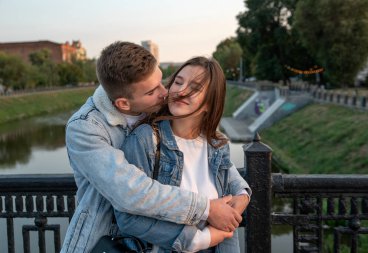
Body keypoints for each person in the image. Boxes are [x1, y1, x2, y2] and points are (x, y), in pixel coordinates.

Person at [61, 42, 242, 253]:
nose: (165, 92)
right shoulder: (85, 128)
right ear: (123, 105)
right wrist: (206, 209)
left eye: (162, 80)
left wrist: (242, 192)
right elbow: (132, 191)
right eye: (153, 90)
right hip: (109, 241)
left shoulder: (155, 103)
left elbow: (211, 153)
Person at [115, 56, 252, 253]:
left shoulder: (216, 144)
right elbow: (128, 219)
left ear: (209, 104)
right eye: (178, 82)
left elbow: (231, 176)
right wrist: (197, 239)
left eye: (195, 88)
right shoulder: (145, 140)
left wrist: (244, 195)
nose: (181, 91)